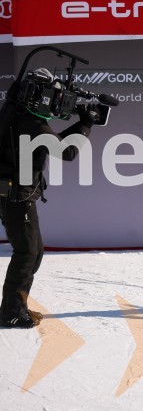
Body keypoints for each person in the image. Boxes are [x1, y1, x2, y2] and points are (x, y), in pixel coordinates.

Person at [0, 69, 96, 328]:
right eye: (54, 96)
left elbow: (55, 141)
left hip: (13, 192)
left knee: (34, 251)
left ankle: (17, 307)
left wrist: (81, 122)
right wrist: (86, 123)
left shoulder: (15, 113)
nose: (56, 102)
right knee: (27, 253)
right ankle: (11, 312)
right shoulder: (33, 124)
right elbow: (67, 152)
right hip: (17, 196)